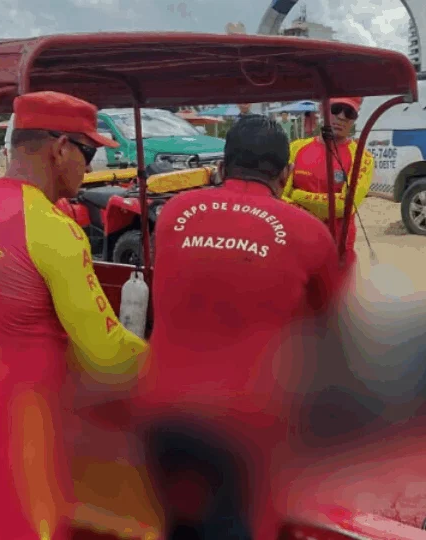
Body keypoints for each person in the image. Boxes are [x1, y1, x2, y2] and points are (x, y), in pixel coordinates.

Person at [0, 91, 149, 540]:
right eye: (87, 153)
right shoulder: (50, 227)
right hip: (17, 437)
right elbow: (106, 351)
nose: (90, 167)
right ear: (60, 147)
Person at [138, 115, 342, 539]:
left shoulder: (175, 213)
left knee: (180, 527)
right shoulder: (309, 232)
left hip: (163, 412)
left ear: (223, 165)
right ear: (284, 174)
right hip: (246, 428)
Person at [282, 96, 374, 269]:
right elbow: (280, 198)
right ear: (323, 110)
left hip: (337, 250)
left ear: (355, 119)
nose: (341, 116)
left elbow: (344, 206)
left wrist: (296, 195)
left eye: (349, 112)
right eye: (336, 109)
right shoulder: (296, 148)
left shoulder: (362, 157)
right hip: (297, 244)